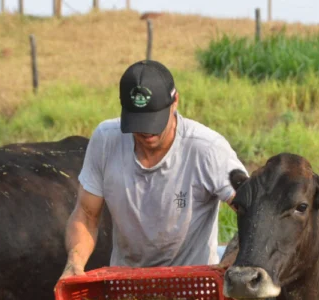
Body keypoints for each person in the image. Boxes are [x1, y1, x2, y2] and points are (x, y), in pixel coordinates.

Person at [61, 59, 248, 279]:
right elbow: (85, 214)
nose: (147, 133)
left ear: (175, 101)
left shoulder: (206, 150)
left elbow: (254, 211)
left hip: (194, 287)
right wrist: (74, 262)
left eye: (154, 121)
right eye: (138, 123)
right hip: (127, 286)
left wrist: (232, 258)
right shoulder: (106, 140)